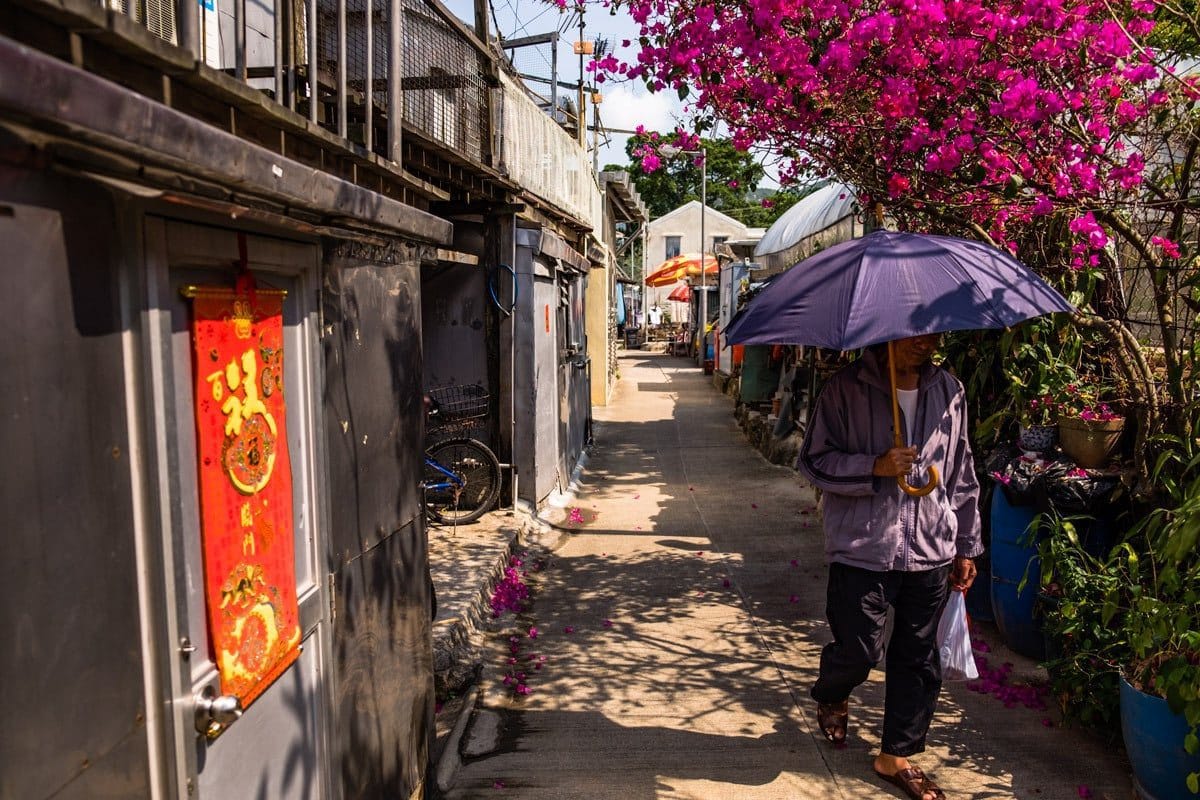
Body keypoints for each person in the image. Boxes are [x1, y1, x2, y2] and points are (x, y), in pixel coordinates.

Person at [795, 333, 981, 800]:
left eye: (935, 329)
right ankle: (832, 693)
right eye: (916, 330)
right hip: (863, 546)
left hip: (931, 549)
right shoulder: (844, 389)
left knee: (918, 658)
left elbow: (961, 472)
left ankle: (895, 755)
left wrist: (966, 546)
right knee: (858, 649)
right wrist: (874, 466)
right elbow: (814, 461)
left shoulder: (950, 392)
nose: (929, 341)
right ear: (888, 329)